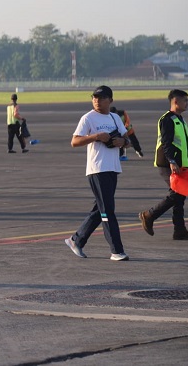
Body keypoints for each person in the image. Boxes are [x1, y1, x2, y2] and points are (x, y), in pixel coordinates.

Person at [65, 85, 130, 261]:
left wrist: (121, 142)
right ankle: (116, 250)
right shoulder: (88, 118)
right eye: (94, 97)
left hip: (113, 168)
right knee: (107, 210)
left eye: (100, 97)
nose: (96, 100)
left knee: (100, 209)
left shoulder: (115, 117)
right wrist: (96, 137)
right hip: (97, 169)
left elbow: (128, 140)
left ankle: (76, 240)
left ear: (110, 100)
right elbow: (74, 141)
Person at [139, 89, 188, 240]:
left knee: (180, 196)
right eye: (185, 100)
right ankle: (149, 215)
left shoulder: (180, 119)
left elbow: (184, 145)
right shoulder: (167, 119)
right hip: (168, 164)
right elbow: (166, 143)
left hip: (181, 164)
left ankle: (179, 230)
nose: (187, 103)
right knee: (176, 194)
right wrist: (172, 161)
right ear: (176, 101)